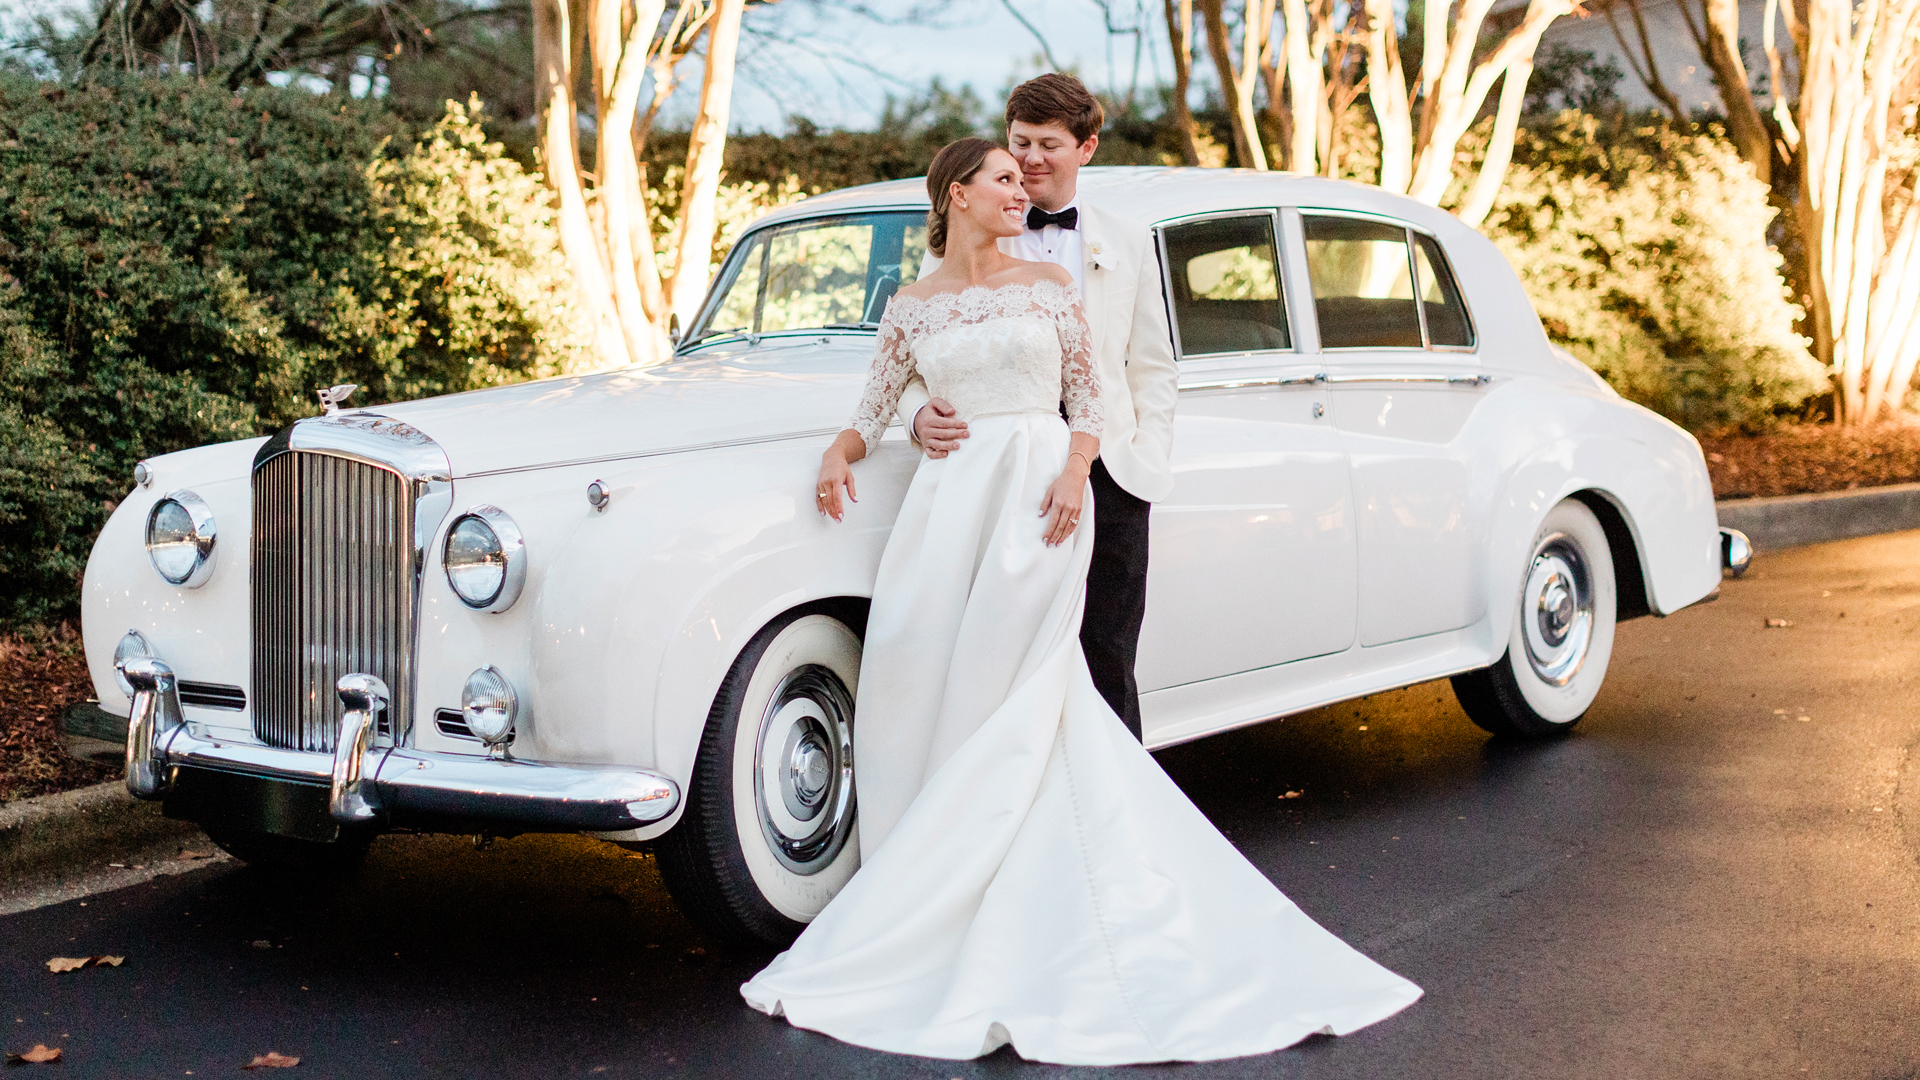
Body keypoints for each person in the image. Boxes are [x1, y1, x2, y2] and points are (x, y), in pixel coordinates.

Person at [739, 137, 1421, 1066]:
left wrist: (1073, 474)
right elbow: (876, 407)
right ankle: (932, 882)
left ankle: (1015, 891)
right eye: (1004, 180)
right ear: (958, 196)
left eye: (1025, 179)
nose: (1022, 191)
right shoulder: (910, 306)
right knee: (922, 671)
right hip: (946, 509)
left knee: (1018, 683)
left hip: (1038, 499)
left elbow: (1089, 397)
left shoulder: (1050, 288)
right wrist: (846, 449)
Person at [897, 73, 1172, 741]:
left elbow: (1154, 368)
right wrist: (915, 415)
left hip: (1110, 473)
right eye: (1019, 142)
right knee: (1006, 652)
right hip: (1002, 474)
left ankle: (1112, 816)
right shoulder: (970, 231)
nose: (1029, 159)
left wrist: (1146, 465)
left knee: (1108, 654)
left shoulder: (1131, 238)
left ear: (1087, 149)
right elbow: (911, 353)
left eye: (1049, 144)